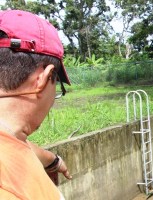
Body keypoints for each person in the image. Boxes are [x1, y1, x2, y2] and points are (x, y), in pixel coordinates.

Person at [0, 10, 72, 199]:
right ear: (43, 78)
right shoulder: (11, 190)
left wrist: (52, 160)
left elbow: (18, 145)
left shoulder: (10, 138)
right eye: (57, 85)